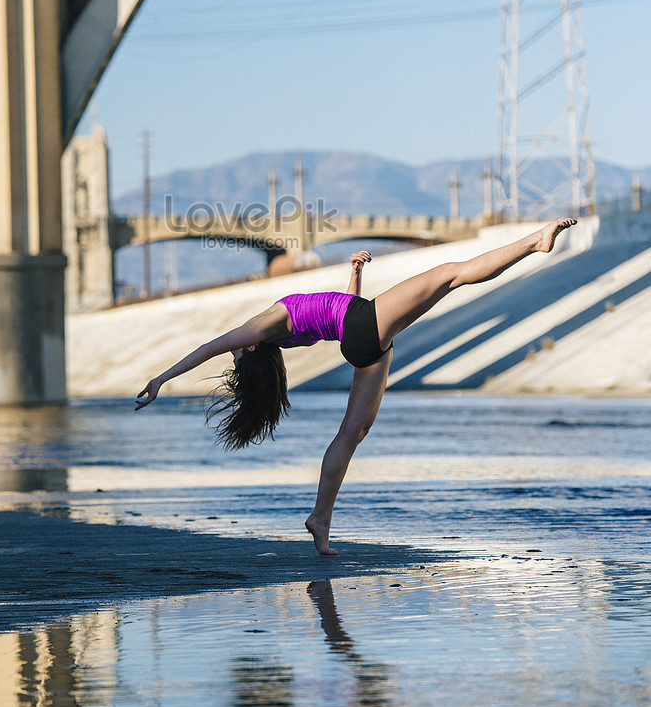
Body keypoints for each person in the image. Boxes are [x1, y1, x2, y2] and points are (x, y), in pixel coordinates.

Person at [136, 218, 577, 555]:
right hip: (363, 329)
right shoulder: (258, 331)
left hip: (362, 339)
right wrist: (161, 378)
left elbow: (338, 310)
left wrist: (355, 274)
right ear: (250, 351)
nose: (236, 349)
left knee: (352, 433)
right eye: (240, 352)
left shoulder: (273, 335)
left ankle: (320, 517)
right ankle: (533, 243)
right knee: (449, 273)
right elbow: (211, 346)